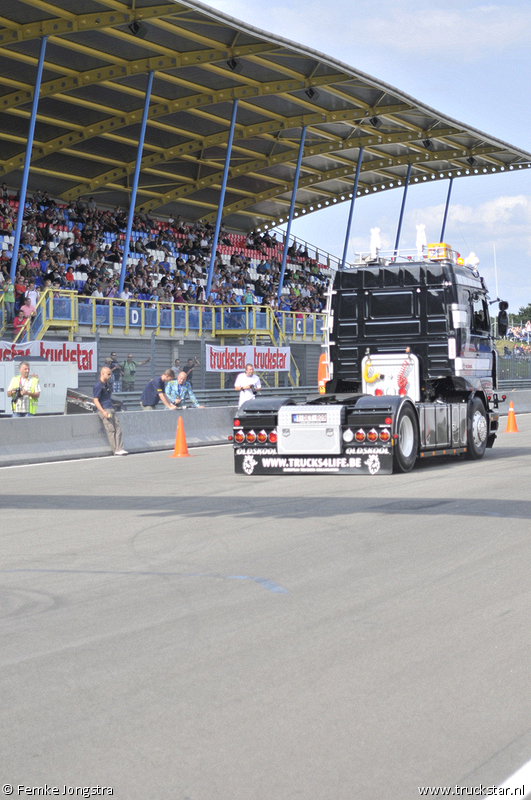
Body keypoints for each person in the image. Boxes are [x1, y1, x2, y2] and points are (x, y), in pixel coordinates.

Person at [93, 366, 127, 455]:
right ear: (102, 374)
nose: (110, 376)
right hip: (104, 409)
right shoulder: (98, 386)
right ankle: (115, 450)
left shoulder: (107, 385)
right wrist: (103, 411)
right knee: (111, 430)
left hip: (111, 408)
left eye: (110, 374)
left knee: (118, 428)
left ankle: (120, 448)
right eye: (108, 374)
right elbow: (96, 400)